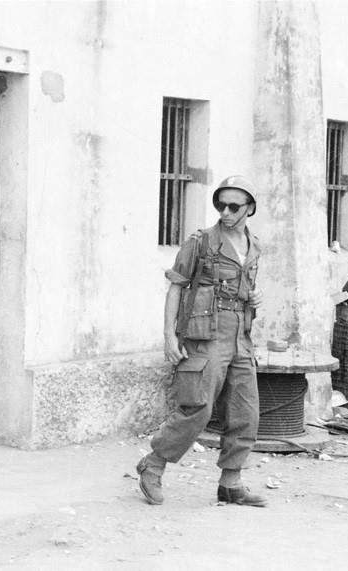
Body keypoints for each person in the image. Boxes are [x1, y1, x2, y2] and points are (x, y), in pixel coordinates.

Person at [137, 175, 267, 508]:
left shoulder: (255, 247)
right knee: (197, 408)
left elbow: (245, 291)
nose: (225, 212)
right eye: (220, 204)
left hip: (241, 338)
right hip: (205, 336)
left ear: (249, 208)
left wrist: (255, 298)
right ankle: (153, 465)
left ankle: (231, 482)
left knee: (245, 411)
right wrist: (169, 336)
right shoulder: (201, 243)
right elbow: (177, 287)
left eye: (234, 206)